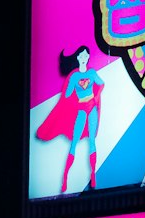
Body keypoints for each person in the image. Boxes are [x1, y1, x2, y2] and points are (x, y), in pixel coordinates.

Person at [35, 45, 106, 193]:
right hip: (81, 110)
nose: (84, 57)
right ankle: (65, 179)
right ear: (78, 57)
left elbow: (101, 84)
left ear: (88, 57)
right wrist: (75, 102)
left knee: (92, 141)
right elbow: (66, 95)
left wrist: (95, 98)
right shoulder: (74, 77)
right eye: (82, 55)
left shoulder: (92, 73)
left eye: (87, 55)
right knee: (73, 143)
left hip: (91, 109)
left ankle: (93, 174)